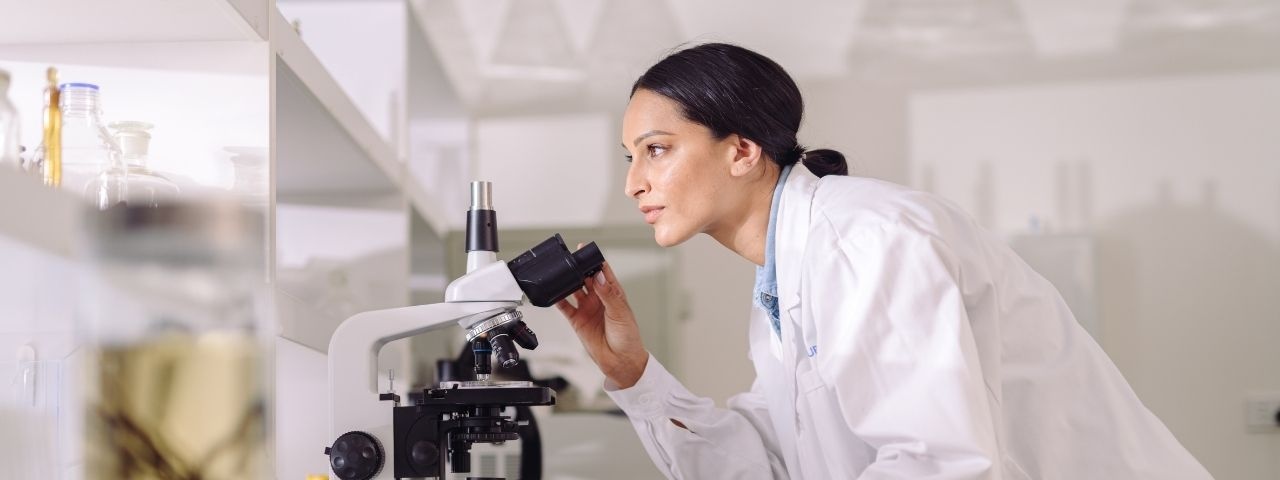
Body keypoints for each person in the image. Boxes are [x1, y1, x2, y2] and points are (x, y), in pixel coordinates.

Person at [553, 43, 1212, 479]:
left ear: (743, 149)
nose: (634, 183)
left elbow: (937, 464)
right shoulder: (788, 277)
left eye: (657, 149)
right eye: (630, 157)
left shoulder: (864, 239)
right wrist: (632, 374)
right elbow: (771, 459)